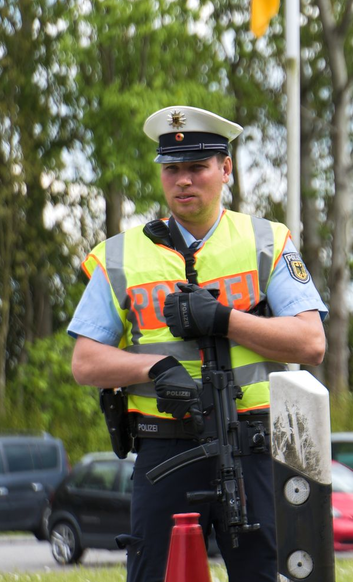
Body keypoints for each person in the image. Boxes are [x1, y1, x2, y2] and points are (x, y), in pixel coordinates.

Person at [67, 106, 327, 582]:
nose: (183, 180)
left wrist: (225, 320)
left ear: (225, 169)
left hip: (253, 447)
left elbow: (311, 342)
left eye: (197, 167)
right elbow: (85, 362)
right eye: (172, 169)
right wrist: (153, 368)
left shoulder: (266, 241)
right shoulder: (121, 255)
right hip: (165, 451)